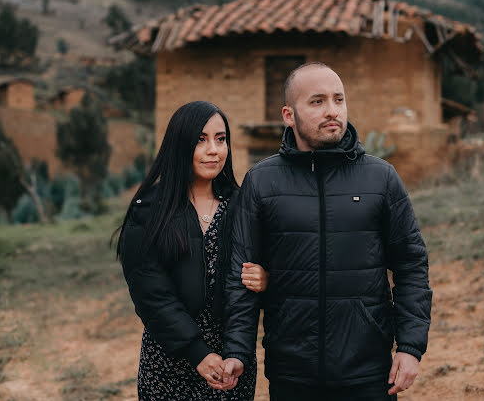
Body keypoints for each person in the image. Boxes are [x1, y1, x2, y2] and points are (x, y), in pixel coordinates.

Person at [220, 63, 433, 400]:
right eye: (317, 102)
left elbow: (410, 266)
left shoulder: (381, 179)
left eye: (338, 99)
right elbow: (240, 276)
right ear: (289, 115)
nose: (332, 111)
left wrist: (409, 346)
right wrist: (236, 350)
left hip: (368, 371)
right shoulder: (261, 182)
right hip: (292, 372)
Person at [116, 101, 269, 400]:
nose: (214, 149)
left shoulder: (241, 208)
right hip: (169, 359)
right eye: (201, 140)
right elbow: (150, 292)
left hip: (231, 363)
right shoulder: (150, 209)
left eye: (221, 139)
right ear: (179, 145)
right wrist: (196, 352)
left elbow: (255, 280)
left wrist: (266, 279)